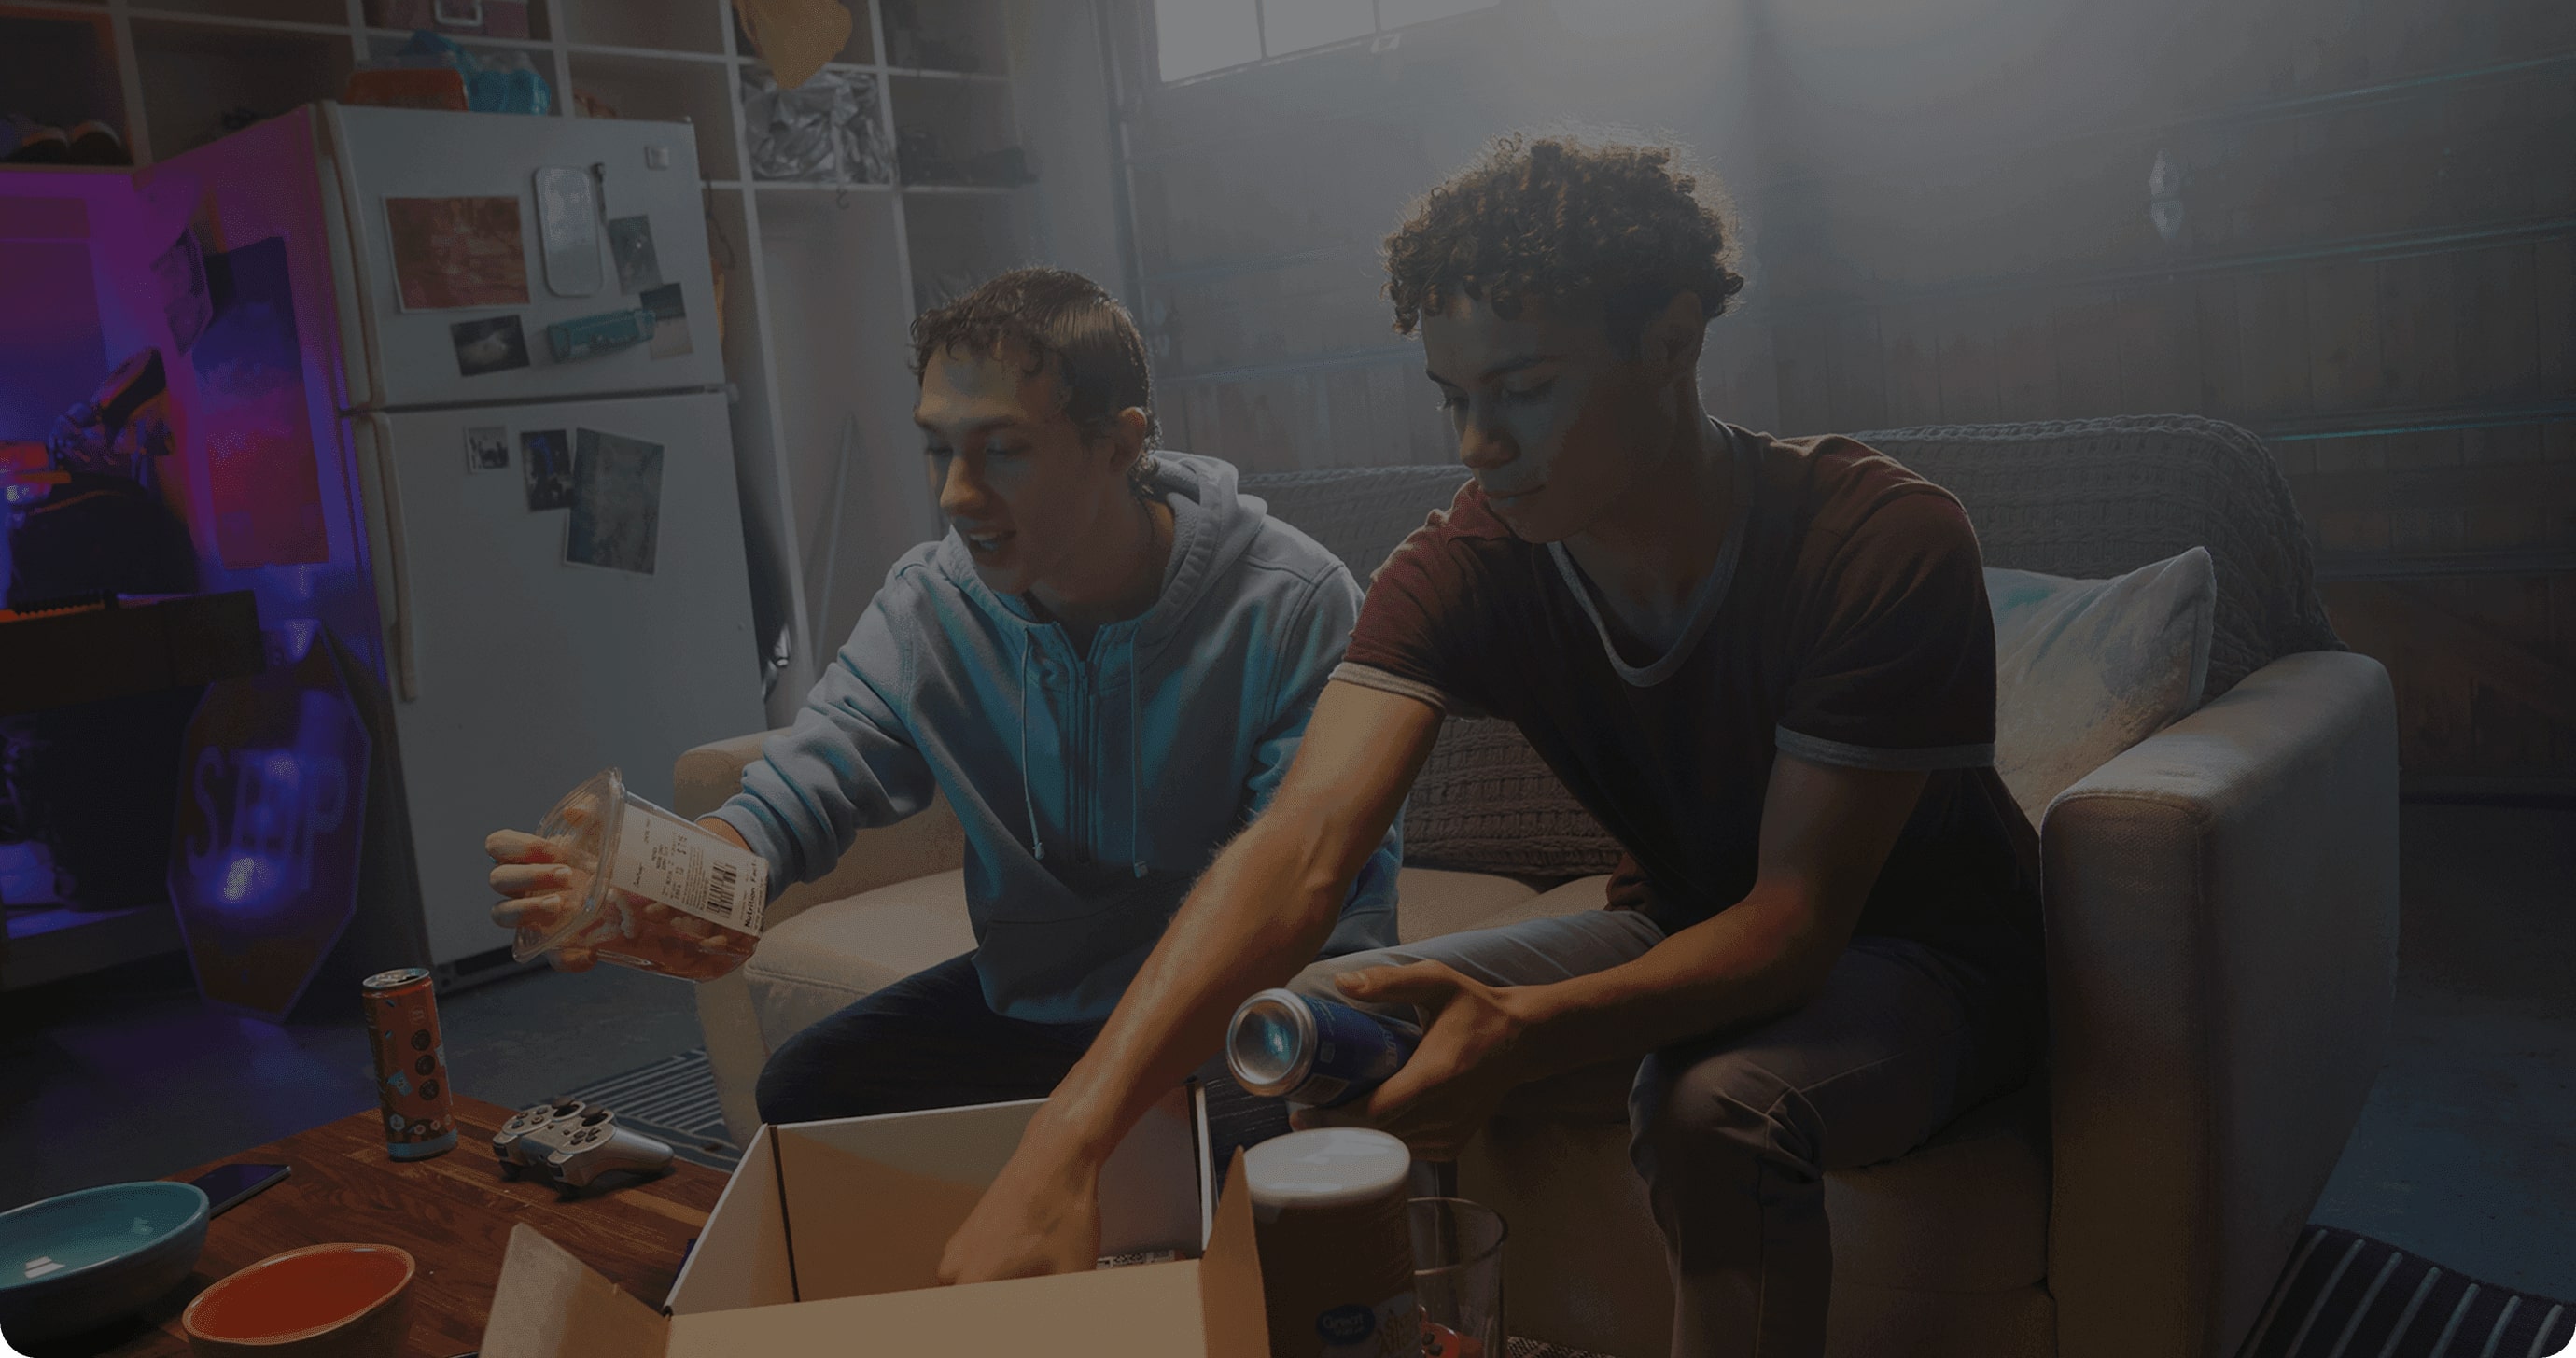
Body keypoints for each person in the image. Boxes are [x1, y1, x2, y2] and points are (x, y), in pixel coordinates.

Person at [934, 136, 2046, 1358]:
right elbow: (1298, 850)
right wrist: (1065, 1141)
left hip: (1930, 964)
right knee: (1319, 1019)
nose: (1478, 444)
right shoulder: (1472, 561)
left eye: (1521, 389)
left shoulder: (1877, 539)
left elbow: (1795, 919)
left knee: (1712, 1108)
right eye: (1455, 399)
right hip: (1678, 921)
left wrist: (1522, 1032)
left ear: (1673, 341)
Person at [484, 267, 1402, 1122]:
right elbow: (800, 791)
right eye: (938, 450)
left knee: (1223, 1143)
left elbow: (1303, 902)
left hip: (1250, 1003)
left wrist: (1110, 1103)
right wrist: (655, 882)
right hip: (1038, 1013)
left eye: (1001, 451)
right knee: (805, 1093)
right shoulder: (933, 602)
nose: (958, 495)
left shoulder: (1291, 602)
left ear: (1117, 444)